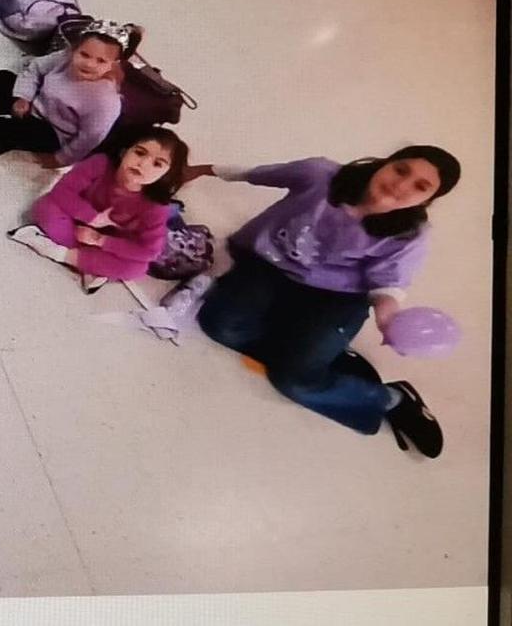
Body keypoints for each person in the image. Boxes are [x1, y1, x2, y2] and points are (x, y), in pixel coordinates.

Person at [172, 147, 462, 457]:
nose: (401, 185)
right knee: (221, 326)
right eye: (401, 170)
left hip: (336, 298)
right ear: (385, 163)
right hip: (268, 267)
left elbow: (389, 284)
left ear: (428, 200)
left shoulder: (409, 236)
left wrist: (388, 319)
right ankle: (316, 350)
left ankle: (391, 399)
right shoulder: (319, 175)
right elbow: (256, 173)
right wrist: (201, 169)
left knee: (295, 380)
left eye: (421, 187)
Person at [0, 19, 137, 168]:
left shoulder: (105, 101)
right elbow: (35, 69)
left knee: (37, 135)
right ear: (75, 49)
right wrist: (23, 97)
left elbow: (89, 138)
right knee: (2, 78)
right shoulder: (64, 58)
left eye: (101, 61)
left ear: (113, 65)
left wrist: (61, 159)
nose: (89, 64)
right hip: (31, 107)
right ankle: (3, 134)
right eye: (84, 54)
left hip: (52, 130)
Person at [7, 126, 189, 293]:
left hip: (108, 241)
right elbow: (61, 192)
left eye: (157, 164)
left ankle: (60, 253)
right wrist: (91, 217)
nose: (143, 164)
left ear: (167, 174)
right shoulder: (100, 163)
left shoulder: (156, 207)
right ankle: (89, 265)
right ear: (125, 151)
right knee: (46, 207)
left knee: (137, 268)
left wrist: (101, 240)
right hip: (74, 221)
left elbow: (149, 251)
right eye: (140, 153)